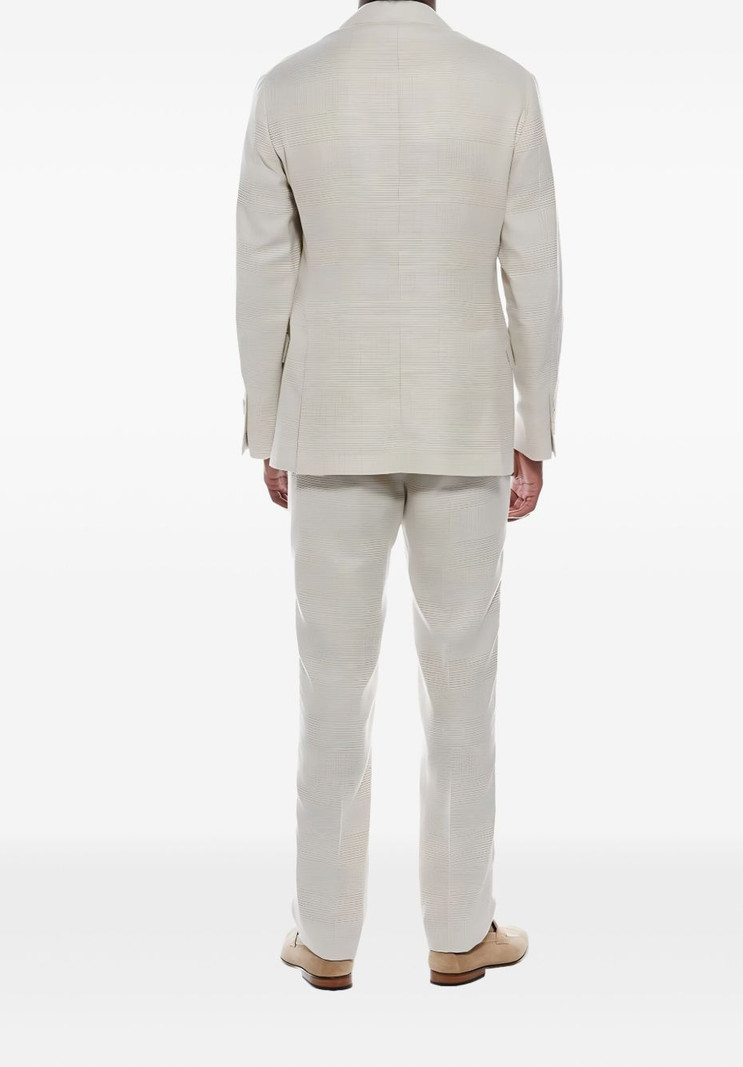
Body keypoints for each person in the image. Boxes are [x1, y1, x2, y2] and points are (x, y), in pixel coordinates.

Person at [236, 0, 562, 990]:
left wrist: (268, 424)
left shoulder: (288, 87)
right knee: (463, 685)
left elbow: (263, 272)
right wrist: (533, 426)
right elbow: (534, 272)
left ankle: (325, 937)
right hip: (464, 419)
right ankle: (459, 931)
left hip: (331, 419)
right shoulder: (504, 85)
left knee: (329, 688)